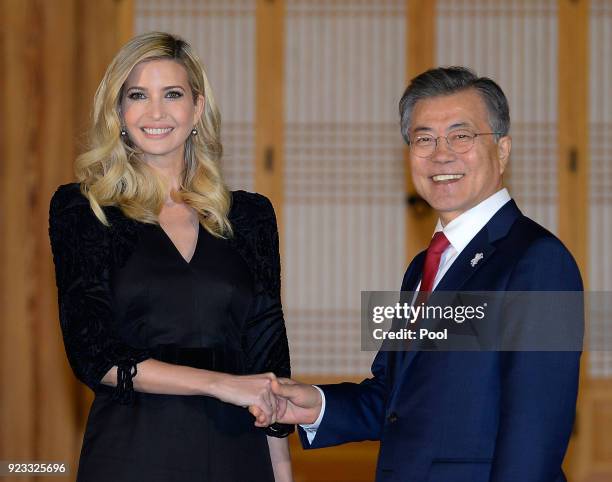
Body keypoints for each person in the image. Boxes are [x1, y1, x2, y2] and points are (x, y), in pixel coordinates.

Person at [255, 67, 583, 482]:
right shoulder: (424, 266)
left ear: (502, 150)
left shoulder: (538, 261)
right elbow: (396, 398)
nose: (441, 154)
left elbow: (535, 434)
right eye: (424, 139)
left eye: (461, 136)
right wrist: (316, 404)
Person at [49, 31, 293, 482]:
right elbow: (93, 353)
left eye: (173, 94)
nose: (156, 112)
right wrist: (220, 384)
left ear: (196, 108)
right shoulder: (83, 209)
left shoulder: (252, 215)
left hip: (238, 456)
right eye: (137, 95)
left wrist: (281, 472)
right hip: (132, 454)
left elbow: (268, 360)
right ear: (118, 112)